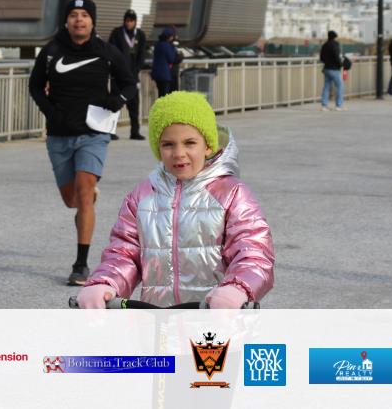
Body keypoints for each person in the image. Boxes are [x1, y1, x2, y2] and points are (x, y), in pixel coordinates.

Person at [76, 91, 274, 308]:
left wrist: (238, 288)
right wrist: (105, 282)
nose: (179, 153)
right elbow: (124, 252)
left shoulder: (232, 194)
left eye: (190, 143)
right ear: (158, 149)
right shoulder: (141, 196)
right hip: (157, 319)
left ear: (208, 145)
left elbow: (253, 252)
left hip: (217, 316)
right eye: (168, 144)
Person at [28, 0, 137, 286]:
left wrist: (117, 100)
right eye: (74, 15)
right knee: (72, 200)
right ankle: (84, 194)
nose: (79, 19)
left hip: (93, 133)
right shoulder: (52, 51)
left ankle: (81, 265)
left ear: (92, 21)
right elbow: (34, 86)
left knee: (84, 194)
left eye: (85, 15)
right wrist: (49, 111)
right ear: (67, 21)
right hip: (59, 134)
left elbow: (130, 84)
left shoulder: (106, 51)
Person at [107, 9, 147, 140]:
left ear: (135, 22)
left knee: (134, 105)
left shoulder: (140, 35)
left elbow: (142, 54)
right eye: (127, 20)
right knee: (115, 103)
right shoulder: (117, 33)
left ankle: (135, 131)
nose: (128, 23)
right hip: (118, 75)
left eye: (131, 21)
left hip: (132, 76)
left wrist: (137, 70)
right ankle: (110, 131)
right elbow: (111, 51)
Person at [150, 26, 179, 98]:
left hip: (157, 74)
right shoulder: (167, 46)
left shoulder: (158, 45)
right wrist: (179, 56)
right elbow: (171, 59)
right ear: (169, 37)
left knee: (161, 93)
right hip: (165, 75)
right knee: (165, 95)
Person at [319, 30, 344, 110]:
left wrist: (327, 62)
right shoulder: (335, 45)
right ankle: (338, 105)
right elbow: (337, 56)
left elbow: (321, 58)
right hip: (334, 69)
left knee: (326, 87)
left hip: (326, 69)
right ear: (335, 37)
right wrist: (341, 64)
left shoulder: (325, 45)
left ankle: (324, 106)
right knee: (340, 86)